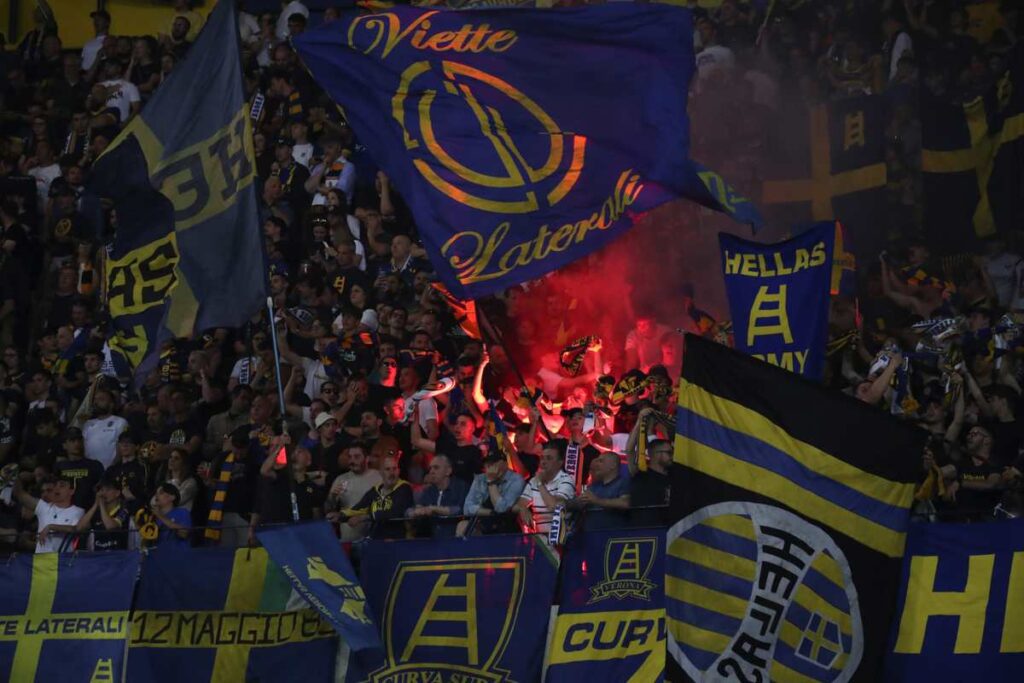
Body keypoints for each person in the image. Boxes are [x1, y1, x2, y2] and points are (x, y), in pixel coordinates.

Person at [338, 455, 413, 540]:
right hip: (376, 540)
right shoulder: (375, 491)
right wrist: (340, 515)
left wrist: (364, 517)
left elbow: (394, 511)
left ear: (399, 471)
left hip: (398, 540)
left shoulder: (404, 488)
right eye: (387, 469)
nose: (392, 473)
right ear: (380, 472)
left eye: (394, 469)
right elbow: (359, 508)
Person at [513, 439, 575, 534]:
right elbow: (517, 506)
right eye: (542, 458)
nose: (543, 462)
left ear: (560, 463)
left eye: (549, 458)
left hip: (562, 538)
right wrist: (522, 508)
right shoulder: (534, 481)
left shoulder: (566, 480)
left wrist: (540, 484)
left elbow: (554, 506)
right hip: (540, 538)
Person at [13, 473, 84, 553]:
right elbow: (20, 495)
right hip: (42, 560)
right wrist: (16, 477)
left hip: (64, 560)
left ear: (72, 491)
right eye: (55, 486)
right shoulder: (44, 507)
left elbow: (76, 529)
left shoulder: (78, 511)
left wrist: (50, 527)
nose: (57, 488)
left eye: (62, 486)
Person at [325, 442, 382, 541]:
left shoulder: (379, 478)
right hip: (348, 540)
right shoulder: (341, 479)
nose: (352, 461)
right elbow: (328, 510)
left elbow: (387, 508)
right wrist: (332, 496)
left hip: (375, 538)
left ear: (367, 458)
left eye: (357, 457)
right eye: (350, 457)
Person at [459, 453, 525, 536]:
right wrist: (490, 512)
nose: (489, 467)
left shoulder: (516, 480)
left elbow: (501, 509)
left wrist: (491, 481)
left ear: (505, 463)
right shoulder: (480, 479)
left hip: (506, 525)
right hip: (484, 522)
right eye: (487, 464)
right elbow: (467, 509)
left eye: (493, 463)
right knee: (462, 526)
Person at [407, 454, 468, 537]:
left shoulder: (460, 487)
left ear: (448, 471)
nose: (431, 471)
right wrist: (415, 512)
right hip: (431, 541)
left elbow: (460, 510)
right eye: (430, 468)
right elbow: (412, 510)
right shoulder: (429, 490)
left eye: (436, 468)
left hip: (454, 540)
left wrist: (434, 509)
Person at [574, 451, 631, 530]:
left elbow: (626, 503)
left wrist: (597, 500)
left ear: (613, 465)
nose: (596, 464)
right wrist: (578, 502)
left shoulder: (623, 482)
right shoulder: (593, 487)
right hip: (588, 536)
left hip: (612, 536)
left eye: (601, 461)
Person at [53, 426, 104, 510]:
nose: (76, 443)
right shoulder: (59, 466)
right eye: (72, 440)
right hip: (64, 512)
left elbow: (102, 490)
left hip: (89, 511)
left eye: (79, 440)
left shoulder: (95, 465)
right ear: (64, 445)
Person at [75, 478, 130, 550]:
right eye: (101, 490)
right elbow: (79, 528)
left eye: (108, 490)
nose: (103, 493)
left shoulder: (123, 510)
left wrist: (101, 505)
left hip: (117, 555)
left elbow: (111, 527)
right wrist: (95, 505)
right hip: (98, 556)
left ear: (117, 493)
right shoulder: (96, 512)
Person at [628, 437, 672, 526]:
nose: (672, 456)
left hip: (670, 529)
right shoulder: (641, 475)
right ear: (655, 454)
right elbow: (630, 450)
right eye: (669, 453)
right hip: (646, 529)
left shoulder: (674, 475)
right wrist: (639, 424)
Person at [150, 482, 191, 547]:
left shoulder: (182, 512)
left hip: (178, 554)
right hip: (157, 554)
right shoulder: (153, 516)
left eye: (161, 493)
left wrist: (160, 516)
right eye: (156, 493)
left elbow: (184, 534)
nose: (156, 495)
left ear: (172, 497)